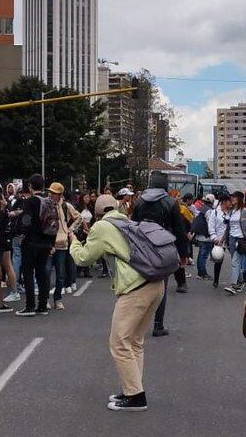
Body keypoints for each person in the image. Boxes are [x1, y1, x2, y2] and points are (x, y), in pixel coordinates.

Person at [69, 194, 165, 412]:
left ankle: (135, 396)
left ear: (97, 213)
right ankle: (132, 388)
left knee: (119, 342)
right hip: (156, 284)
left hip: (135, 288)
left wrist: (74, 243)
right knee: (134, 341)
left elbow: (84, 258)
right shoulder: (127, 221)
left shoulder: (102, 226)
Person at [131, 171, 189, 337]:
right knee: (160, 287)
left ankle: (136, 324)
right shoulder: (171, 203)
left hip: (142, 248)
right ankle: (158, 325)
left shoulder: (139, 202)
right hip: (163, 248)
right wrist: (183, 254)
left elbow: (133, 226)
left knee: (140, 285)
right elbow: (179, 230)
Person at [15, 174, 55, 317]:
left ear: (31, 186)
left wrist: (22, 233)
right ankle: (43, 305)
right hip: (45, 241)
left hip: (31, 241)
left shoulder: (30, 201)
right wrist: (51, 242)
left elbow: (26, 220)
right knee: (41, 273)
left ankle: (30, 306)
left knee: (28, 273)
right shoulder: (49, 201)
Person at [49, 182, 80, 310]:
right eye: (50, 192)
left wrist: (70, 230)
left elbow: (79, 218)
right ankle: (45, 299)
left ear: (60, 195)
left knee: (60, 274)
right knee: (45, 272)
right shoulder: (46, 204)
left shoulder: (66, 206)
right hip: (47, 243)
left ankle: (57, 300)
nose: (51, 195)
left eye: (54, 193)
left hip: (62, 244)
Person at [223, 191, 246, 295]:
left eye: (234, 197)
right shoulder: (231, 212)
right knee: (237, 263)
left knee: (235, 262)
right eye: (231, 198)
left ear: (239, 199)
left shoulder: (245, 211)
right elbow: (228, 228)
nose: (232, 199)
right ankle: (241, 281)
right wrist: (222, 240)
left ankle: (233, 285)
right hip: (232, 240)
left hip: (242, 241)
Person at [208, 194, 231, 288]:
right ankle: (216, 280)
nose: (231, 202)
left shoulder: (232, 212)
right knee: (218, 260)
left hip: (231, 239)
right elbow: (211, 225)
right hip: (219, 241)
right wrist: (214, 238)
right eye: (229, 201)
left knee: (236, 260)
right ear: (224, 201)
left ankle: (239, 280)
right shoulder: (215, 212)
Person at [191, 194, 216, 280]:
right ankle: (203, 273)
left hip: (200, 235)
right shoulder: (209, 211)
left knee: (201, 254)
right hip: (206, 236)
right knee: (204, 255)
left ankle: (200, 273)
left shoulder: (202, 209)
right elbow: (210, 224)